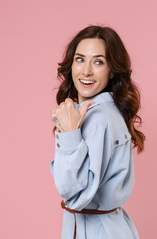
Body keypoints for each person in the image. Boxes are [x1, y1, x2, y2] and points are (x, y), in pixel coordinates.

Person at [50, 25, 145, 239]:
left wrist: (69, 135)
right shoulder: (106, 112)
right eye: (80, 59)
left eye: (99, 62)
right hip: (110, 227)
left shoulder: (99, 118)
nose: (86, 71)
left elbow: (74, 193)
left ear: (112, 70)